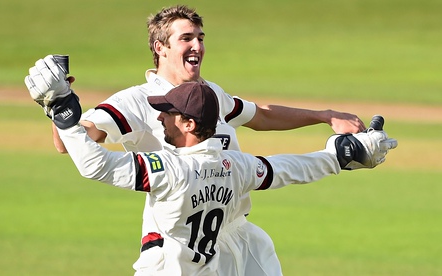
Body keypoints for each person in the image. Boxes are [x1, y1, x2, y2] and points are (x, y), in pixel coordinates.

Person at [44, 5, 367, 275]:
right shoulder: (133, 101)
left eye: (200, 37)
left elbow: (262, 116)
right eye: (186, 38)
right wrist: (58, 105)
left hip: (236, 233)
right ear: (161, 47)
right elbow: (69, 144)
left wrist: (324, 116)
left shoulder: (209, 95)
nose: (197, 45)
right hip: (178, 241)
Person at [24, 63, 397, 274]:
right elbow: (287, 168)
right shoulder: (237, 165)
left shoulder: (166, 170)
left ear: (187, 124)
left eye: (168, 113)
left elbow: (92, 163)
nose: (161, 118)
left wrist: (62, 105)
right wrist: (343, 154)